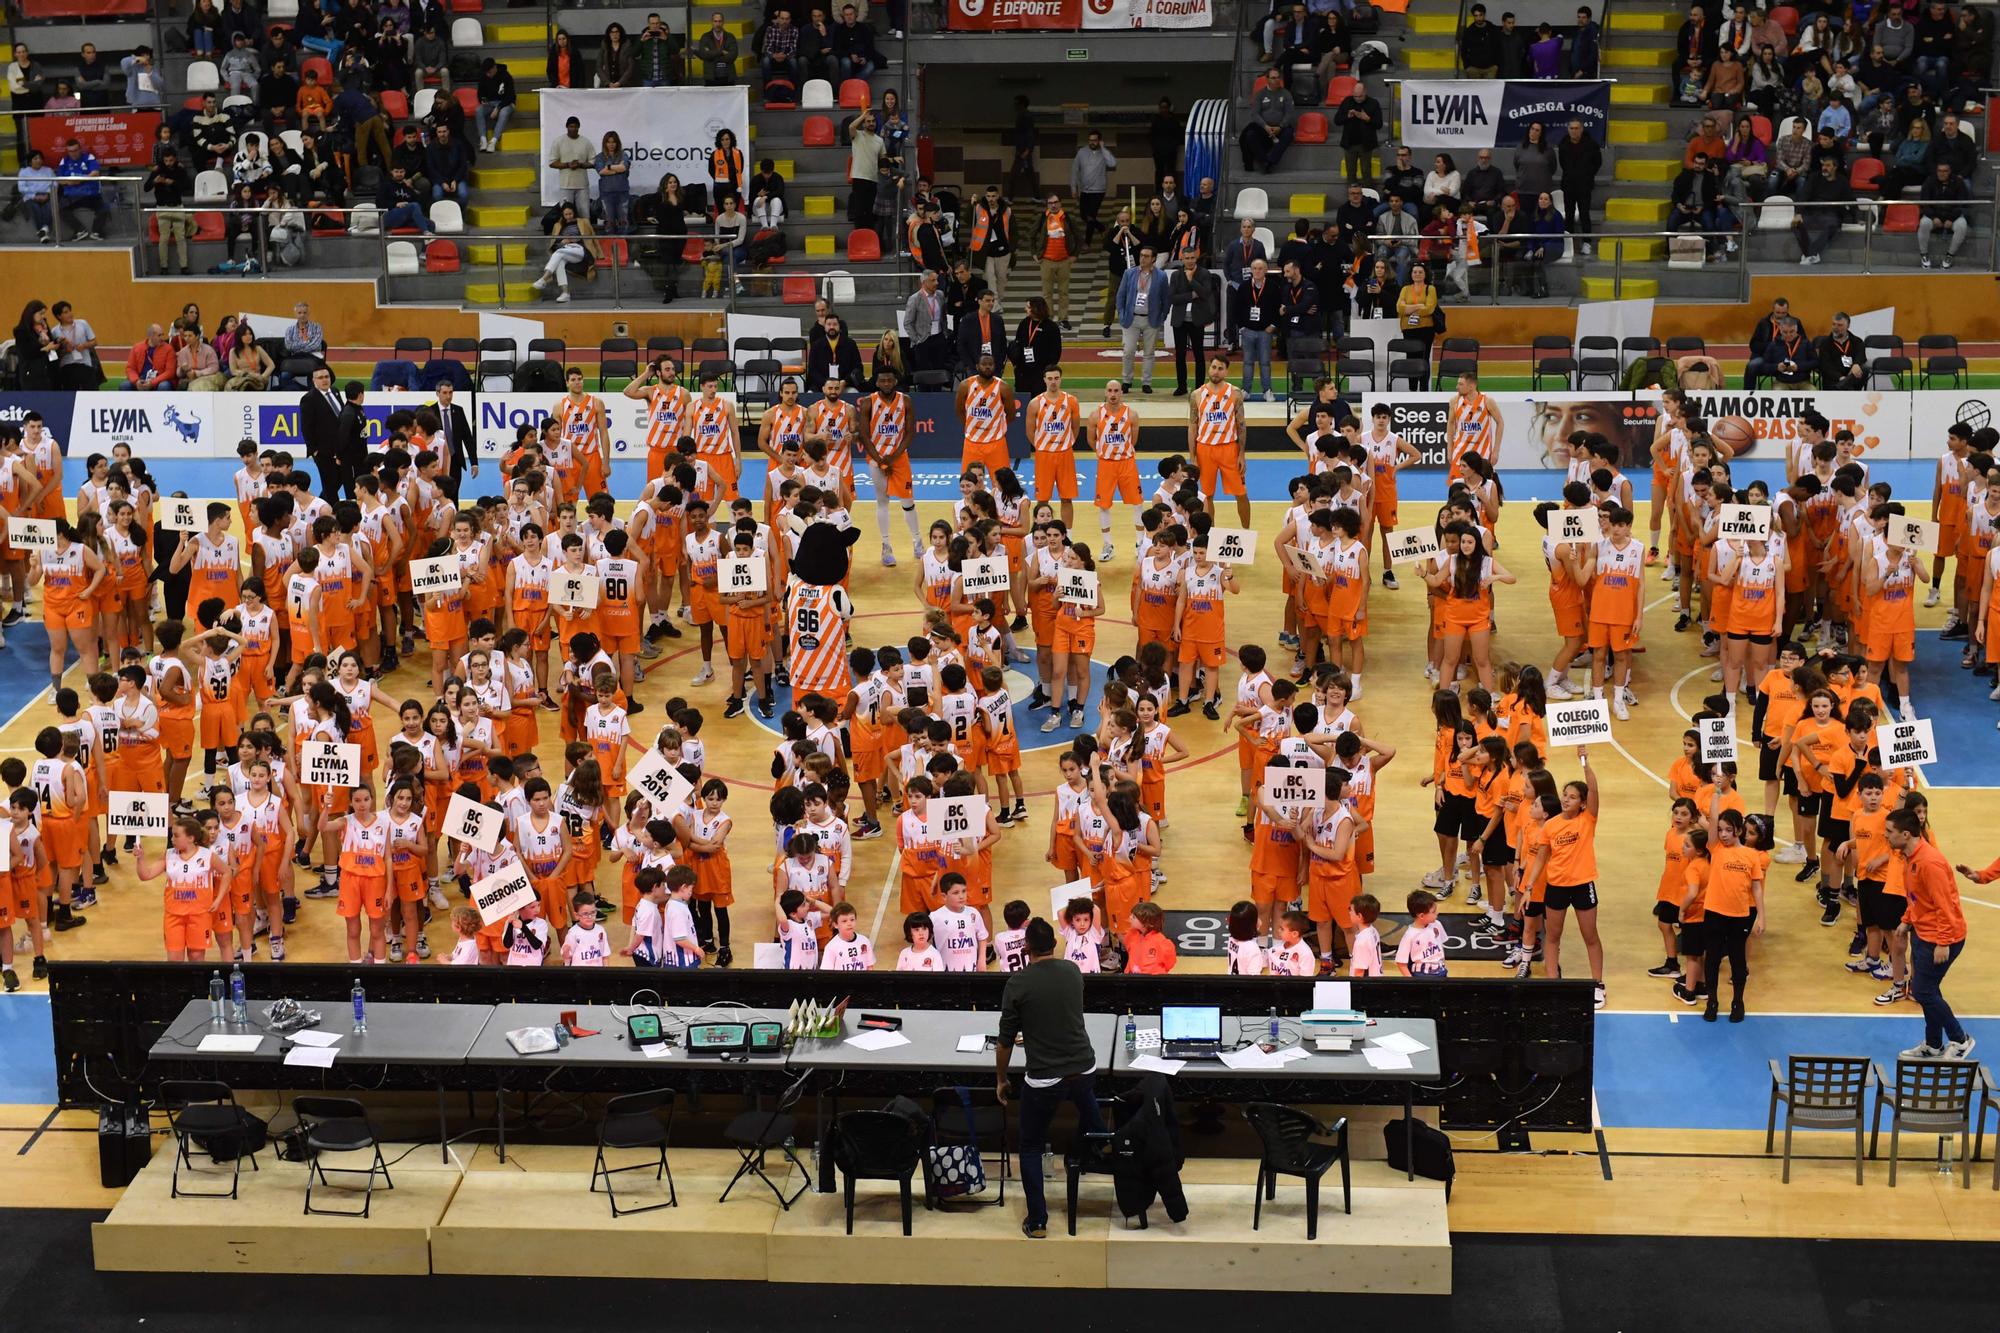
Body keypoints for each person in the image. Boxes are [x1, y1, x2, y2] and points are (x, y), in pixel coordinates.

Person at [995, 915, 1104, 1239]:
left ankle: (1039, 1220)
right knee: (1088, 1109)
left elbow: (1004, 1042)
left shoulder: (1018, 983)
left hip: (1044, 1078)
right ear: (1055, 945)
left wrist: (1001, 1079)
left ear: (1026, 948)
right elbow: (1063, 1013)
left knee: (1029, 1145)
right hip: (1083, 1068)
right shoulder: (1072, 971)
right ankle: (1092, 1147)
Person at [1117, 247, 1170, 395]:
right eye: (1141, 255)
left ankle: (1146, 382)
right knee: (1128, 351)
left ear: (1153, 259)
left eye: (1146, 256)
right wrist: (1121, 314)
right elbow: (1120, 295)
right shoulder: (1129, 273)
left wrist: (1162, 317)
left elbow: (1166, 299)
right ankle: (1127, 380)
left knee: (1149, 353)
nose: (1143, 258)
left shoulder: (1161, 276)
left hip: (1151, 319)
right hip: (1131, 318)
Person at [1168, 252, 1218, 397]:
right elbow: (1172, 298)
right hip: (1180, 320)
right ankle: (1181, 386)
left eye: (1192, 258)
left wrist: (1192, 281)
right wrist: (1191, 295)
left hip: (1197, 320)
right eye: (1187, 258)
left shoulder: (1204, 273)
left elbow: (1205, 293)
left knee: (1198, 354)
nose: (1190, 261)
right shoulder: (1176, 275)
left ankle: (1200, 386)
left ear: (1196, 259)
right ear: (1182, 259)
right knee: (1180, 354)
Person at [1069, 130, 1115, 245]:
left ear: (1099, 141)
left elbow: (1112, 163)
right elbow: (1075, 170)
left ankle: (1087, 243)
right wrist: (1074, 188)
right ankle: (1101, 228)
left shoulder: (1104, 153)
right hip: (1085, 190)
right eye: (1090, 140)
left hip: (1098, 190)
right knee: (1084, 216)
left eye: (1095, 140)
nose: (1092, 143)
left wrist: (1103, 149)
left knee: (1090, 216)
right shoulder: (1082, 152)